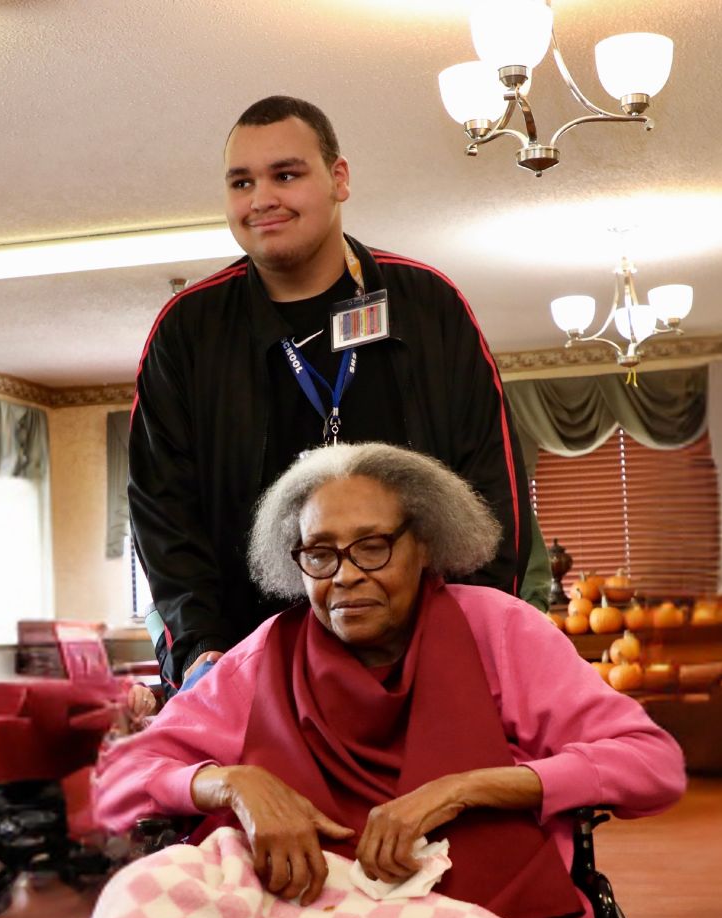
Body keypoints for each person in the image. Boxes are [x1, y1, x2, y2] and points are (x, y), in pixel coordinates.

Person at [96, 443, 686, 918]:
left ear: (424, 543)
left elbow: (651, 766)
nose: (347, 575)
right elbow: (119, 779)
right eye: (320, 554)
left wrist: (469, 788)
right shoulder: (263, 656)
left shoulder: (500, 629)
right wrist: (232, 784)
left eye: (373, 547)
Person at [128, 95, 533, 688]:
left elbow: (493, 494)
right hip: (250, 678)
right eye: (241, 182)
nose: (261, 199)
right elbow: (163, 516)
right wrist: (199, 654)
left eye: (285, 175)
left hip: (424, 669)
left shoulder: (427, 306)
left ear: (338, 179)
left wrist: (473, 639)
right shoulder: (185, 331)